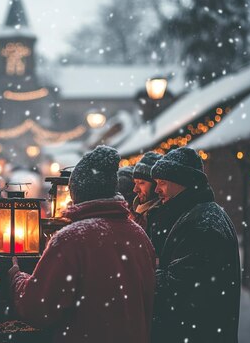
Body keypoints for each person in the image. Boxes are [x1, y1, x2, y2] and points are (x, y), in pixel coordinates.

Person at [8, 145, 156, 343]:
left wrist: (16, 278)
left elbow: (38, 307)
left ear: (75, 193)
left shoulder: (71, 239)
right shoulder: (138, 235)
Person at [149, 147, 240, 343]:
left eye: (162, 183)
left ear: (183, 183)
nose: (156, 190)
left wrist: (145, 270)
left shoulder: (202, 224)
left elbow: (176, 291)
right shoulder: (196, 214)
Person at [132, 152, 162, 230]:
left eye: (141, 183)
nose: (135, 189)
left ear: (156, 184)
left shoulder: (160, 219)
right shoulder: (134, 214)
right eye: (135, 183)